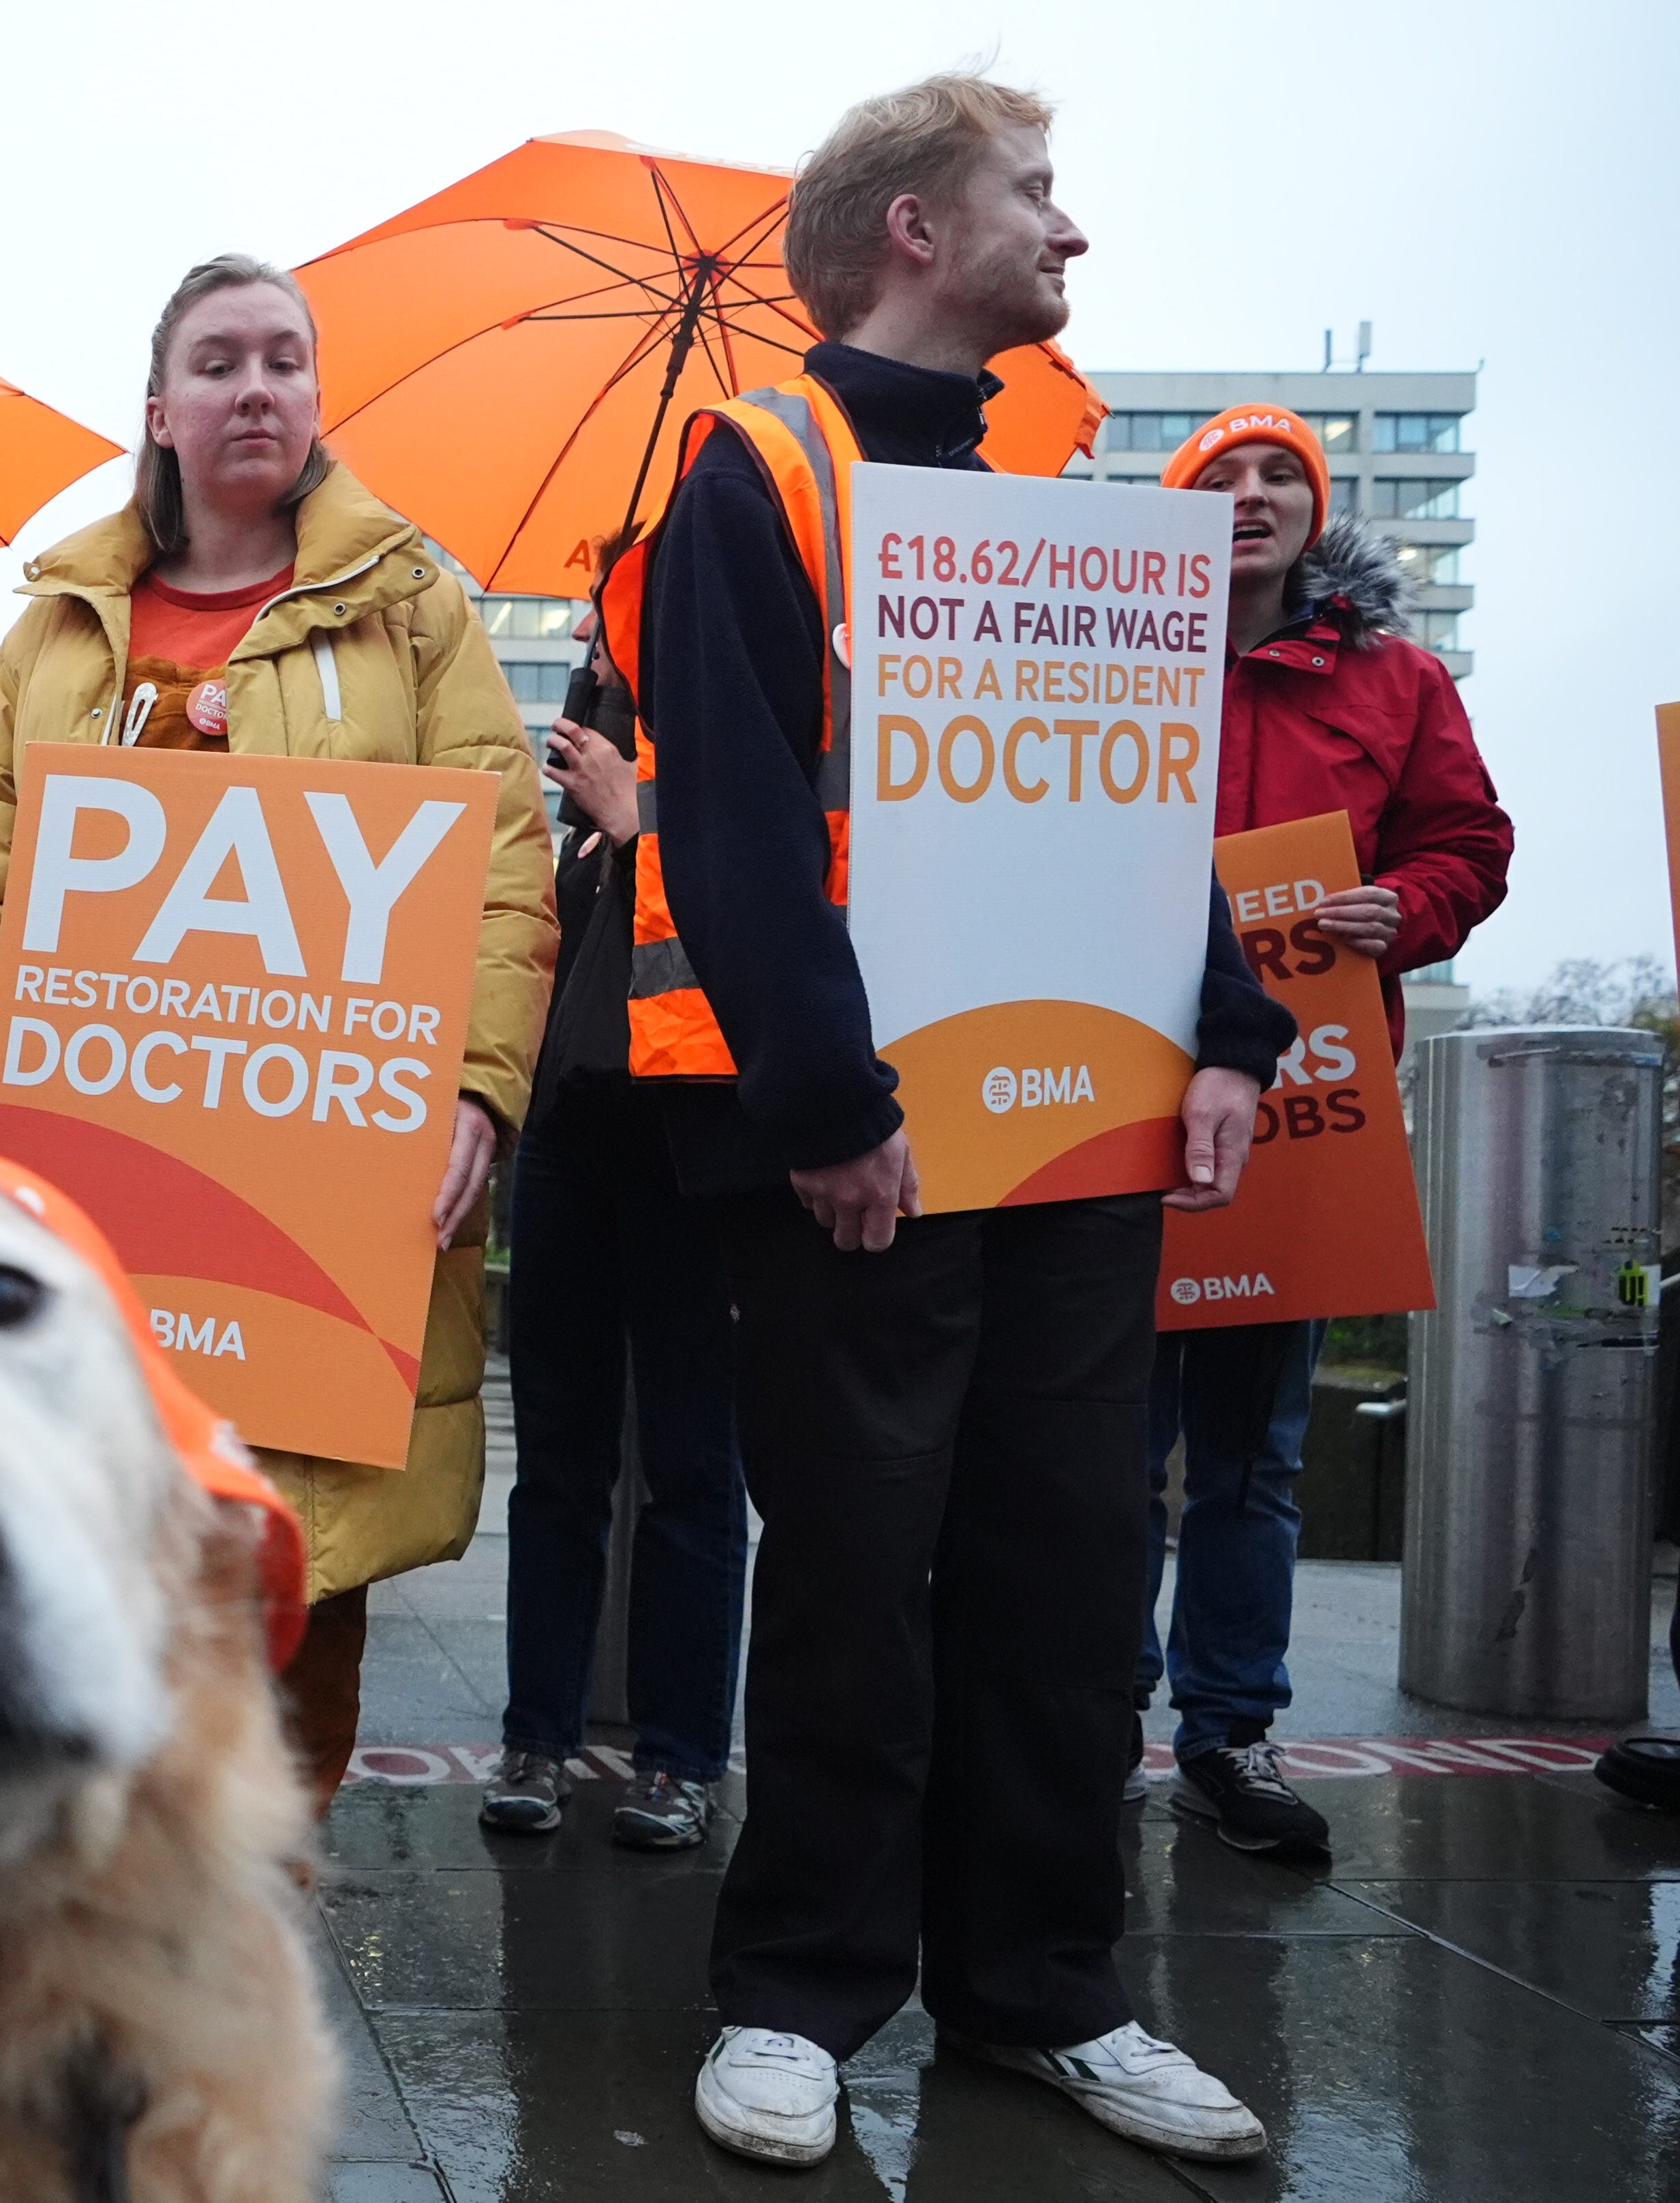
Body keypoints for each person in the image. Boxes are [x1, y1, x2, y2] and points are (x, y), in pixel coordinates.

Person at [602, 78, 1298, 2168]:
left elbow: (1126, 804)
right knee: (849, 1557)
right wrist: (822, 1103)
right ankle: (799, 1992)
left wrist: (1228, 1031)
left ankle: (1039, 1991)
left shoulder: (1057, 497)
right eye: (1034, 196)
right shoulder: (762, 467)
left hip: (1076, 1127)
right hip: (864, 1148)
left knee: (1067, 1565)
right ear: (913, 227)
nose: (1068, 236)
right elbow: (723, 808)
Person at [0, 254, 555, 1810]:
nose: (253, 384)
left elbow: (502, 867)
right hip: (99, 1187)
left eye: (282, 358)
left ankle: (237, 1984)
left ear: (316, 399)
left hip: (318, 1212)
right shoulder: (61, 626)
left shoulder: (410, 607)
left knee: (291, 1623)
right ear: (160, 407)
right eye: (217, 360)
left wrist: (474, 1086)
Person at [1144, 405, 1512, 1855]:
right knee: (1109, 1436)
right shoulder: (1112, 657)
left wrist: (1403, 911)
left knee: (1252, 1450)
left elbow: (1468, 844)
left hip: (1306, 1103)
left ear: (1316, 507)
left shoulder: (1396, 677)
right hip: (1110, 1085)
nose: (1248, 496)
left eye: (1276, 476)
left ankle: (1229, 1733)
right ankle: (1092, 1714)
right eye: (1217, 477)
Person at [482, 595, 747, 1847]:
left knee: (694, 1468)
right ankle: (534, 1737)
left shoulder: (727, 726)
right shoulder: (585, 769)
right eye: (593, 634)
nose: (596, 653)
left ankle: (679, 1757)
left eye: (613, 632)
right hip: (569, 1133)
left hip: (697, 1141)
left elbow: (781, 909)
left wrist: (648, 826)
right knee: (558, 1461)